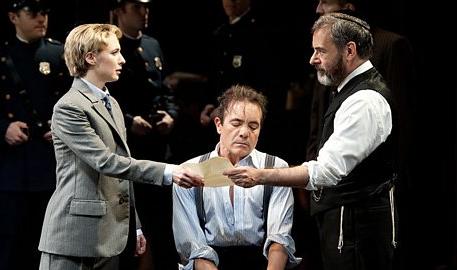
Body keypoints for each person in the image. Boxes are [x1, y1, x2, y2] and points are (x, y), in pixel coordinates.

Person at [224, 13, 398, 270]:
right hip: (346, 226)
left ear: (349, 50)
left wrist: (260, 176)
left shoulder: (365, 101)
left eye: (320, 51)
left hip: (357, 231)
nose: (313, 59)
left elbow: (326, 171)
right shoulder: (348, 90)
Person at [37, 23, 204, 270]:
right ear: (91, 58)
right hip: (74, 238)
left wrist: (133, 225)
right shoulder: (69, 107)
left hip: (109, 235)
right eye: (114, 53)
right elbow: (106, 162)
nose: (123, 59)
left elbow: (121, 171)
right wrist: (169, 171)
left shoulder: (111, 103)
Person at [302, 1, 417, 268]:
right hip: (329, 189)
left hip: (365, 199)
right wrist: (311, 170)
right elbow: (318, 116)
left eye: (326, 2)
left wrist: (390, 179)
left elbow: (402, 120)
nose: (318, 8)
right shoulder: (327, 56)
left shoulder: (390, 46)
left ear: (348, 6)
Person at [0, 1, 71, 269]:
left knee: (49, 248)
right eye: (33, 14)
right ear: (13, 17)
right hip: (11, 165)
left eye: (44, 13)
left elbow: (77, 100)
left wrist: (63, 126)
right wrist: (2, 128)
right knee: (8, 247)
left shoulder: (60, 53)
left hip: (52, 164)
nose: (41, 18)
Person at [173, 85, 301, 270]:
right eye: (236, 123)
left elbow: (279, 238)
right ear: (219, 125)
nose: (244, 133)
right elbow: (193, 248)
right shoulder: (189, 171)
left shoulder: (276, 168)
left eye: (253, 126)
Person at [108, 0, 180, 268]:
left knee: (163, 224)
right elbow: (105, 95)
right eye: (137, 7)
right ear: (119, 11)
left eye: (147, 7)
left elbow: (165, 89)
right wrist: (128, 121)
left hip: (158, 147)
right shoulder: (109, 46)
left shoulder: (151, 44)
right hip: (128, 150)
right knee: (128, 227)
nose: (144, 13)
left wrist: (171, 115)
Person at [197, 0, 298, 161]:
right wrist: (208, 106)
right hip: (222, 122)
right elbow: (214, 78)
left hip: (250, 122)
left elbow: (266, 85)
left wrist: (223, 110)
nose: (231, 1)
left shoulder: (262, 33)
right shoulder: (220, 33)